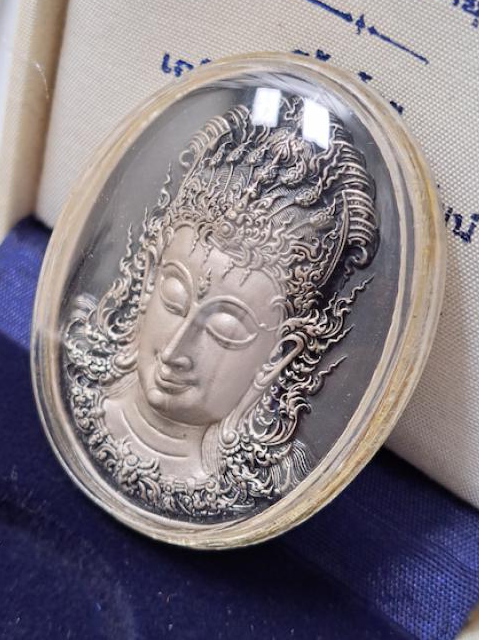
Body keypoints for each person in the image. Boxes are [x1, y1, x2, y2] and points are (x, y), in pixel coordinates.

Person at [65, 94, 378, 519]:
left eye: (226, 328)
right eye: (174, 298)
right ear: (151, 274)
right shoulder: (77, 382)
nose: (175, 350)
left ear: (280, 355)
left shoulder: (247, 492)